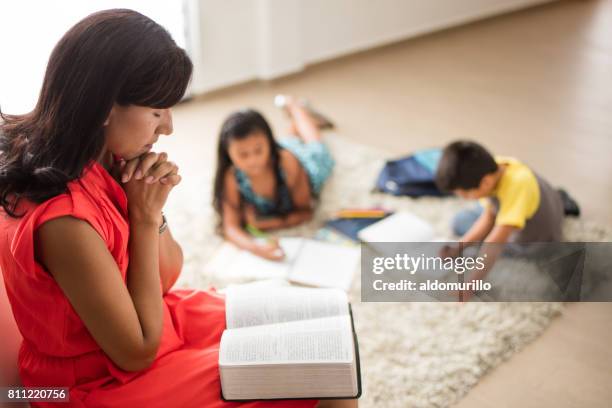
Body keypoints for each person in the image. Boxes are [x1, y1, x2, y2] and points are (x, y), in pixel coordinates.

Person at [0, 9, 355, 408]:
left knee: (330, 327)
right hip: (96, 383)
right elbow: (134, 353)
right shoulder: (64, 222)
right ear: (102, 108)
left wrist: (151, 210)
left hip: (152, 318)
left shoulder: (108, 161)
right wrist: (144, 215)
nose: (168, 127)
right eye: (156, 112)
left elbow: (167, 276)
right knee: (324, 374)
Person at [435, 140, 565, 299]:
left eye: (466, 194)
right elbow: (488, 216)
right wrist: (458, 248)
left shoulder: (516, 188)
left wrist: (470, 285)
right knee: (462, 220)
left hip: (537, 243)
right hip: (547, 206)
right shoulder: (496, 166)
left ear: (486, 182)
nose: (464, 199)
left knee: (470, 231)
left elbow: (494, 244)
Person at [212, 99, 334, 260]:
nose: (252, 160)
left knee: (317, 148)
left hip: (305, 166)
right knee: (291, 141)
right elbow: (230, 227)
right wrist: (256, 248)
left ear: (270, 143)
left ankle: (295, 107)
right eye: (243, 154)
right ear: (228, 153)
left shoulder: (288, 164)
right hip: (280, 150)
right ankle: (294, 128)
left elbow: (306, 212)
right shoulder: (232, 176)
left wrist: (264, 224)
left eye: (258, 150)